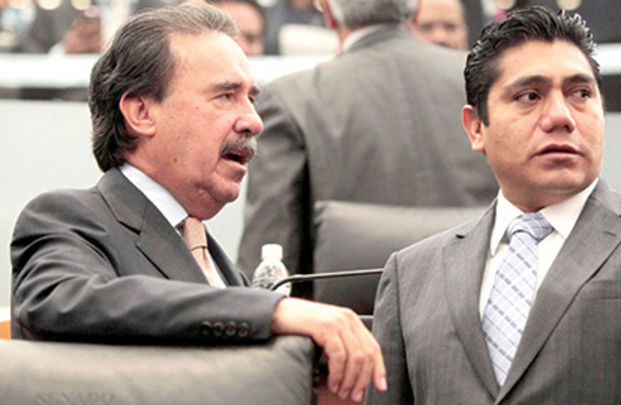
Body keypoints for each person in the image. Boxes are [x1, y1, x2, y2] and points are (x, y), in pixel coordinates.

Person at [10, 4, 384, 403]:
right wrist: (272, 311)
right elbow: (64, 300)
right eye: (226, 96)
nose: (254, 121)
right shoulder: (66, 220)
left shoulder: (220, 266)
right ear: (141, 112)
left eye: (250, 98)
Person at [367, 6, 621, 404]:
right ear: (476, 127)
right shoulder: (411, 276)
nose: (561, 117)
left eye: (581, 94)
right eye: (530, 96)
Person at [239, 0, 498, 286]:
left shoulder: (292, 99)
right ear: (417, 11)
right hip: (481, 301)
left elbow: (267, 267)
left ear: (327, 12)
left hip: (339, 312)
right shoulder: (489, 84)